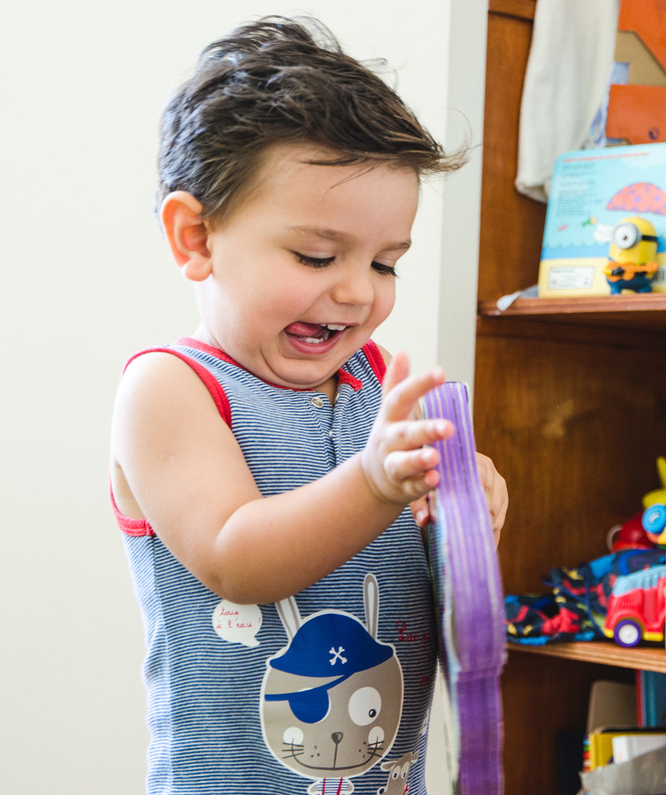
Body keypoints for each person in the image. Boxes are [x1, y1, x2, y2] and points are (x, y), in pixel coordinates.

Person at [109, 16, 508, 795]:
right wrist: (376, 482)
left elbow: (429, 596)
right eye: (317, 256)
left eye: (386, 263)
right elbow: (235, 555)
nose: (358, 289)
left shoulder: (375, 392)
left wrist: (465, 515)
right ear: (196, 237)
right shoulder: (171, 390)